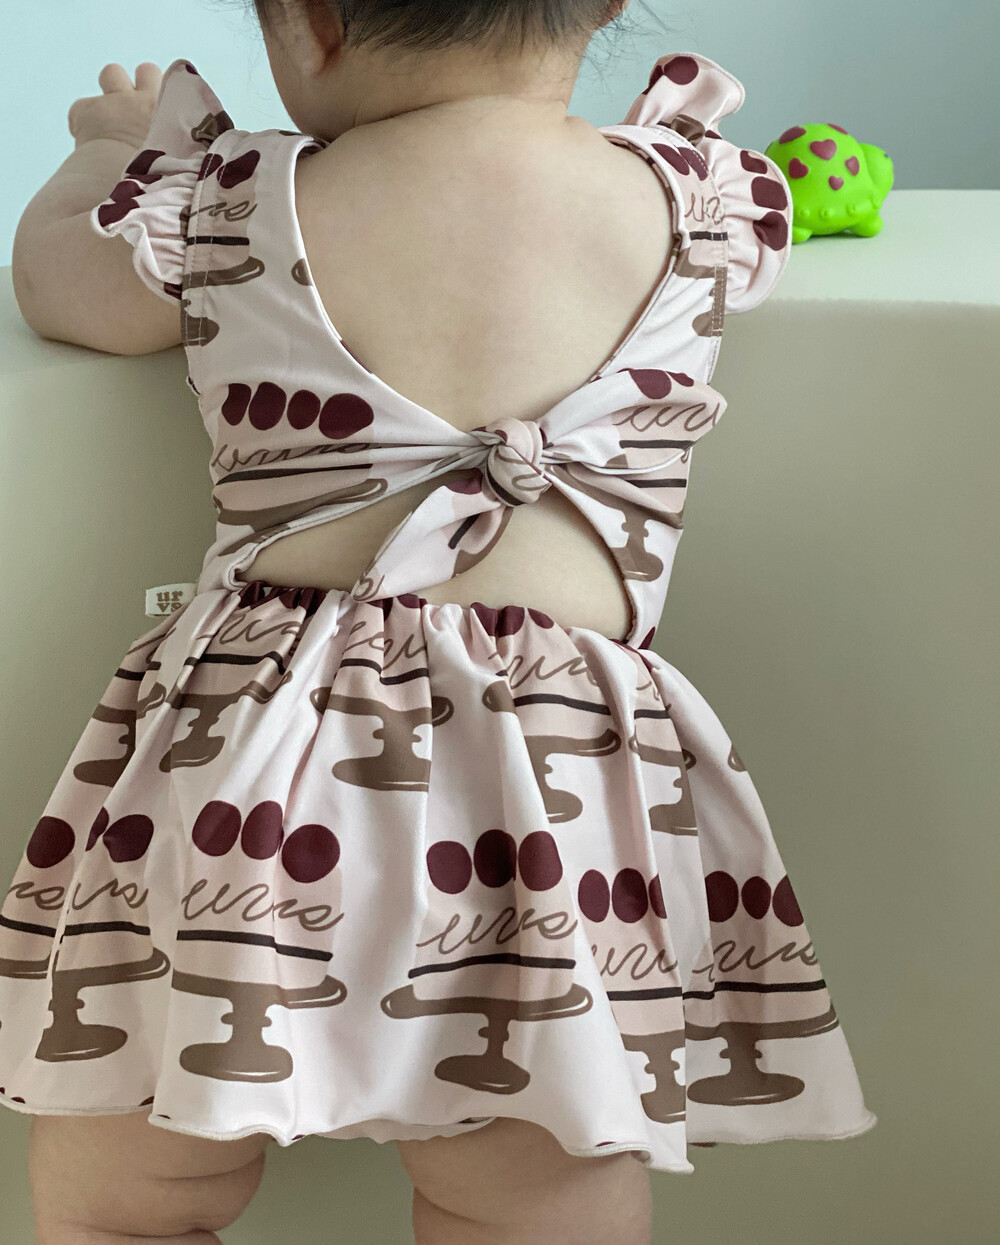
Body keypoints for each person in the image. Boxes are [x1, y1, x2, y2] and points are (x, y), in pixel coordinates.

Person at [4, 3, 876, 1243]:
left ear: (310, 23)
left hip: (256, 778)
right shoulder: (693, 195)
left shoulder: (233, 197)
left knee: (125, 1183)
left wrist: (108, 153)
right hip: (550, 802)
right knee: (537, 1187)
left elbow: (60, 290)